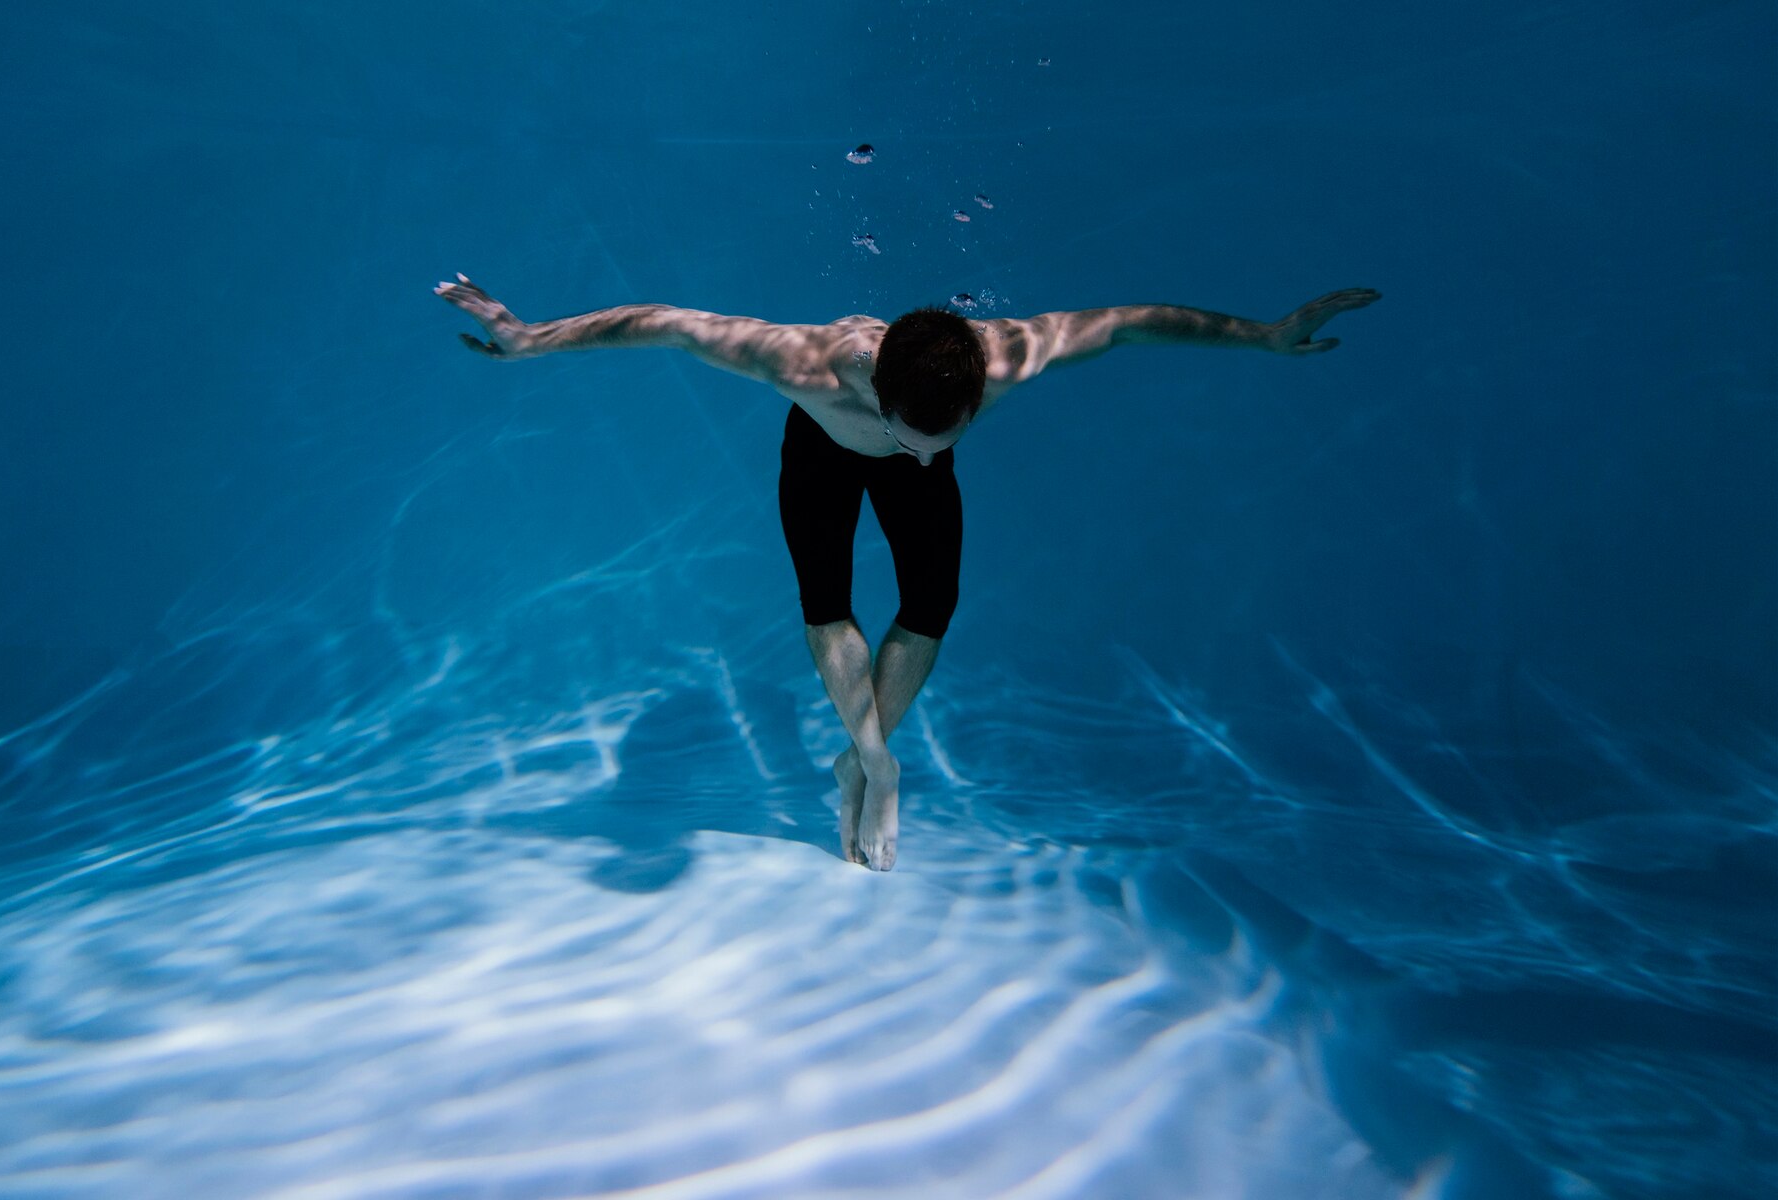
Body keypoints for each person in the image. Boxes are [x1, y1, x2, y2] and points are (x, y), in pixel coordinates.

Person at [433, 273, 1380, 871]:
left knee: (934, 599)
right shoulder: (802, 368)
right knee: (827, 597)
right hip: (822, 451)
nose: (929, 459)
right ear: (872, 394)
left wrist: (1263, 334)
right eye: (913, 438)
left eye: (952, 439)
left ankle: (863, 753)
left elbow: (1131, 321)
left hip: (900, 419)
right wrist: (530, 337)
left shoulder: (1005, 358)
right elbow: (670, 323)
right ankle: (877, 766)